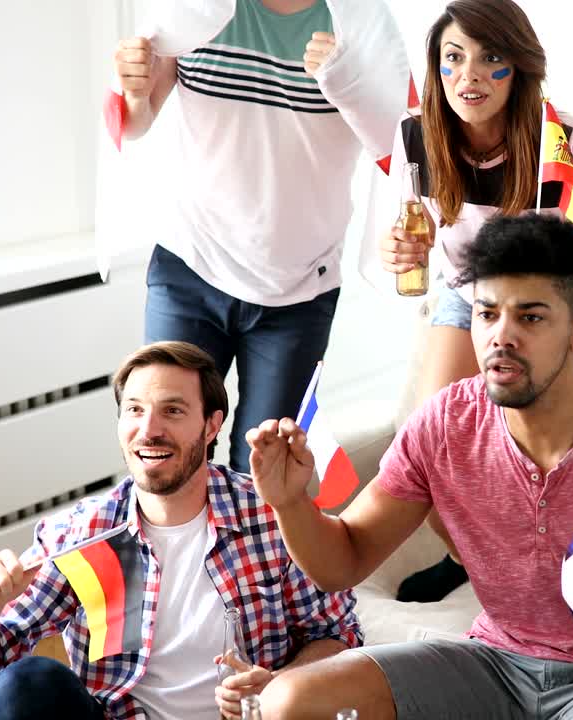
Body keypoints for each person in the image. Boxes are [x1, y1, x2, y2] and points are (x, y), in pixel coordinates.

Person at [250, 213, 573, 719]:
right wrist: (290, 502)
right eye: (486, 314)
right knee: (290, 701)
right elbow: (344, 562)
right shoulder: (445, 423)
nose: (501, 336)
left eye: (530, 318)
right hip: (494, 661)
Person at [0, 342, 361, 720]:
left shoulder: (272, 515)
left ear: (211, 426)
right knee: (26, 682)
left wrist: (280, 685)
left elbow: (339, 636)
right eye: (135, 410)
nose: (149, 429)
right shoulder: (83, 532)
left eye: (173, 410)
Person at [376, 0, 573, 603]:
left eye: (491, 59)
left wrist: (550, 304)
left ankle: (561, 569)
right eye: (453, 59)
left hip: (560, 298)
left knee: (541, 443)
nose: (469, 77)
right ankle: (477, 560)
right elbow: (415, 252)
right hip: (468, 293)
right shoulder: (417, 138)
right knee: (427, 442)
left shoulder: (561, 137)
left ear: (520, 67)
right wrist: (403, 253)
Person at [113, 0, 408, 473]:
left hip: (299, 290)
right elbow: (140, 115)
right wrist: (133, 92)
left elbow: (401, 145)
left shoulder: (361, 19)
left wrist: (348, 79)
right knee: (166, 459)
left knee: (263, 475)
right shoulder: (196, 8)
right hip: (189, 264)